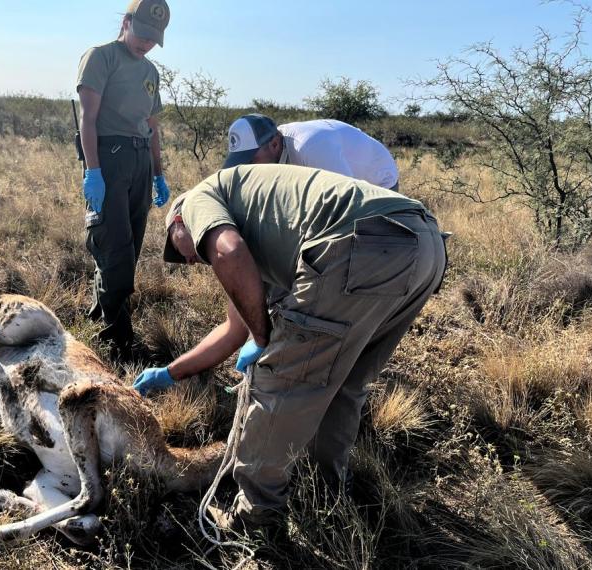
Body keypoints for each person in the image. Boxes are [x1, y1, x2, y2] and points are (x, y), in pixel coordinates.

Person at [132, 163, 447, 531]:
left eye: (179, 248)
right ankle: (326, 495)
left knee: (278, 385)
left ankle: (254, 517)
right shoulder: (263, 225)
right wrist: (171, 373)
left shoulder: (201, 197)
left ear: (179, 220)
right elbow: (235, 329)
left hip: (358, 246)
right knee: (344, 384)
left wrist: (265, 340)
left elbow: (228, 253)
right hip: (423, 244)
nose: (188, 260)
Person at [77, 0, 171, 359]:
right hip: (109, 159)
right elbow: (88, 118)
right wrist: (93, 171)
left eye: (154, 38)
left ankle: (102, 311)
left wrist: (158, 175)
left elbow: (152, 128)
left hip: (139, 160)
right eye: (143, 33)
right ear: (127, 22)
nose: (147, 43)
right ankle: (117, 338)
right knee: (113, 247)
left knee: (129, 247)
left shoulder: (150, 72)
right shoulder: (101, 57)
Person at [223, 114, 400, 190]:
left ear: (275, 144)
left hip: (378, 181)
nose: (247, 167)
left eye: (251, 160)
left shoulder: (310, 148)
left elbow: (350, 198)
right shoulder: (277, 149)